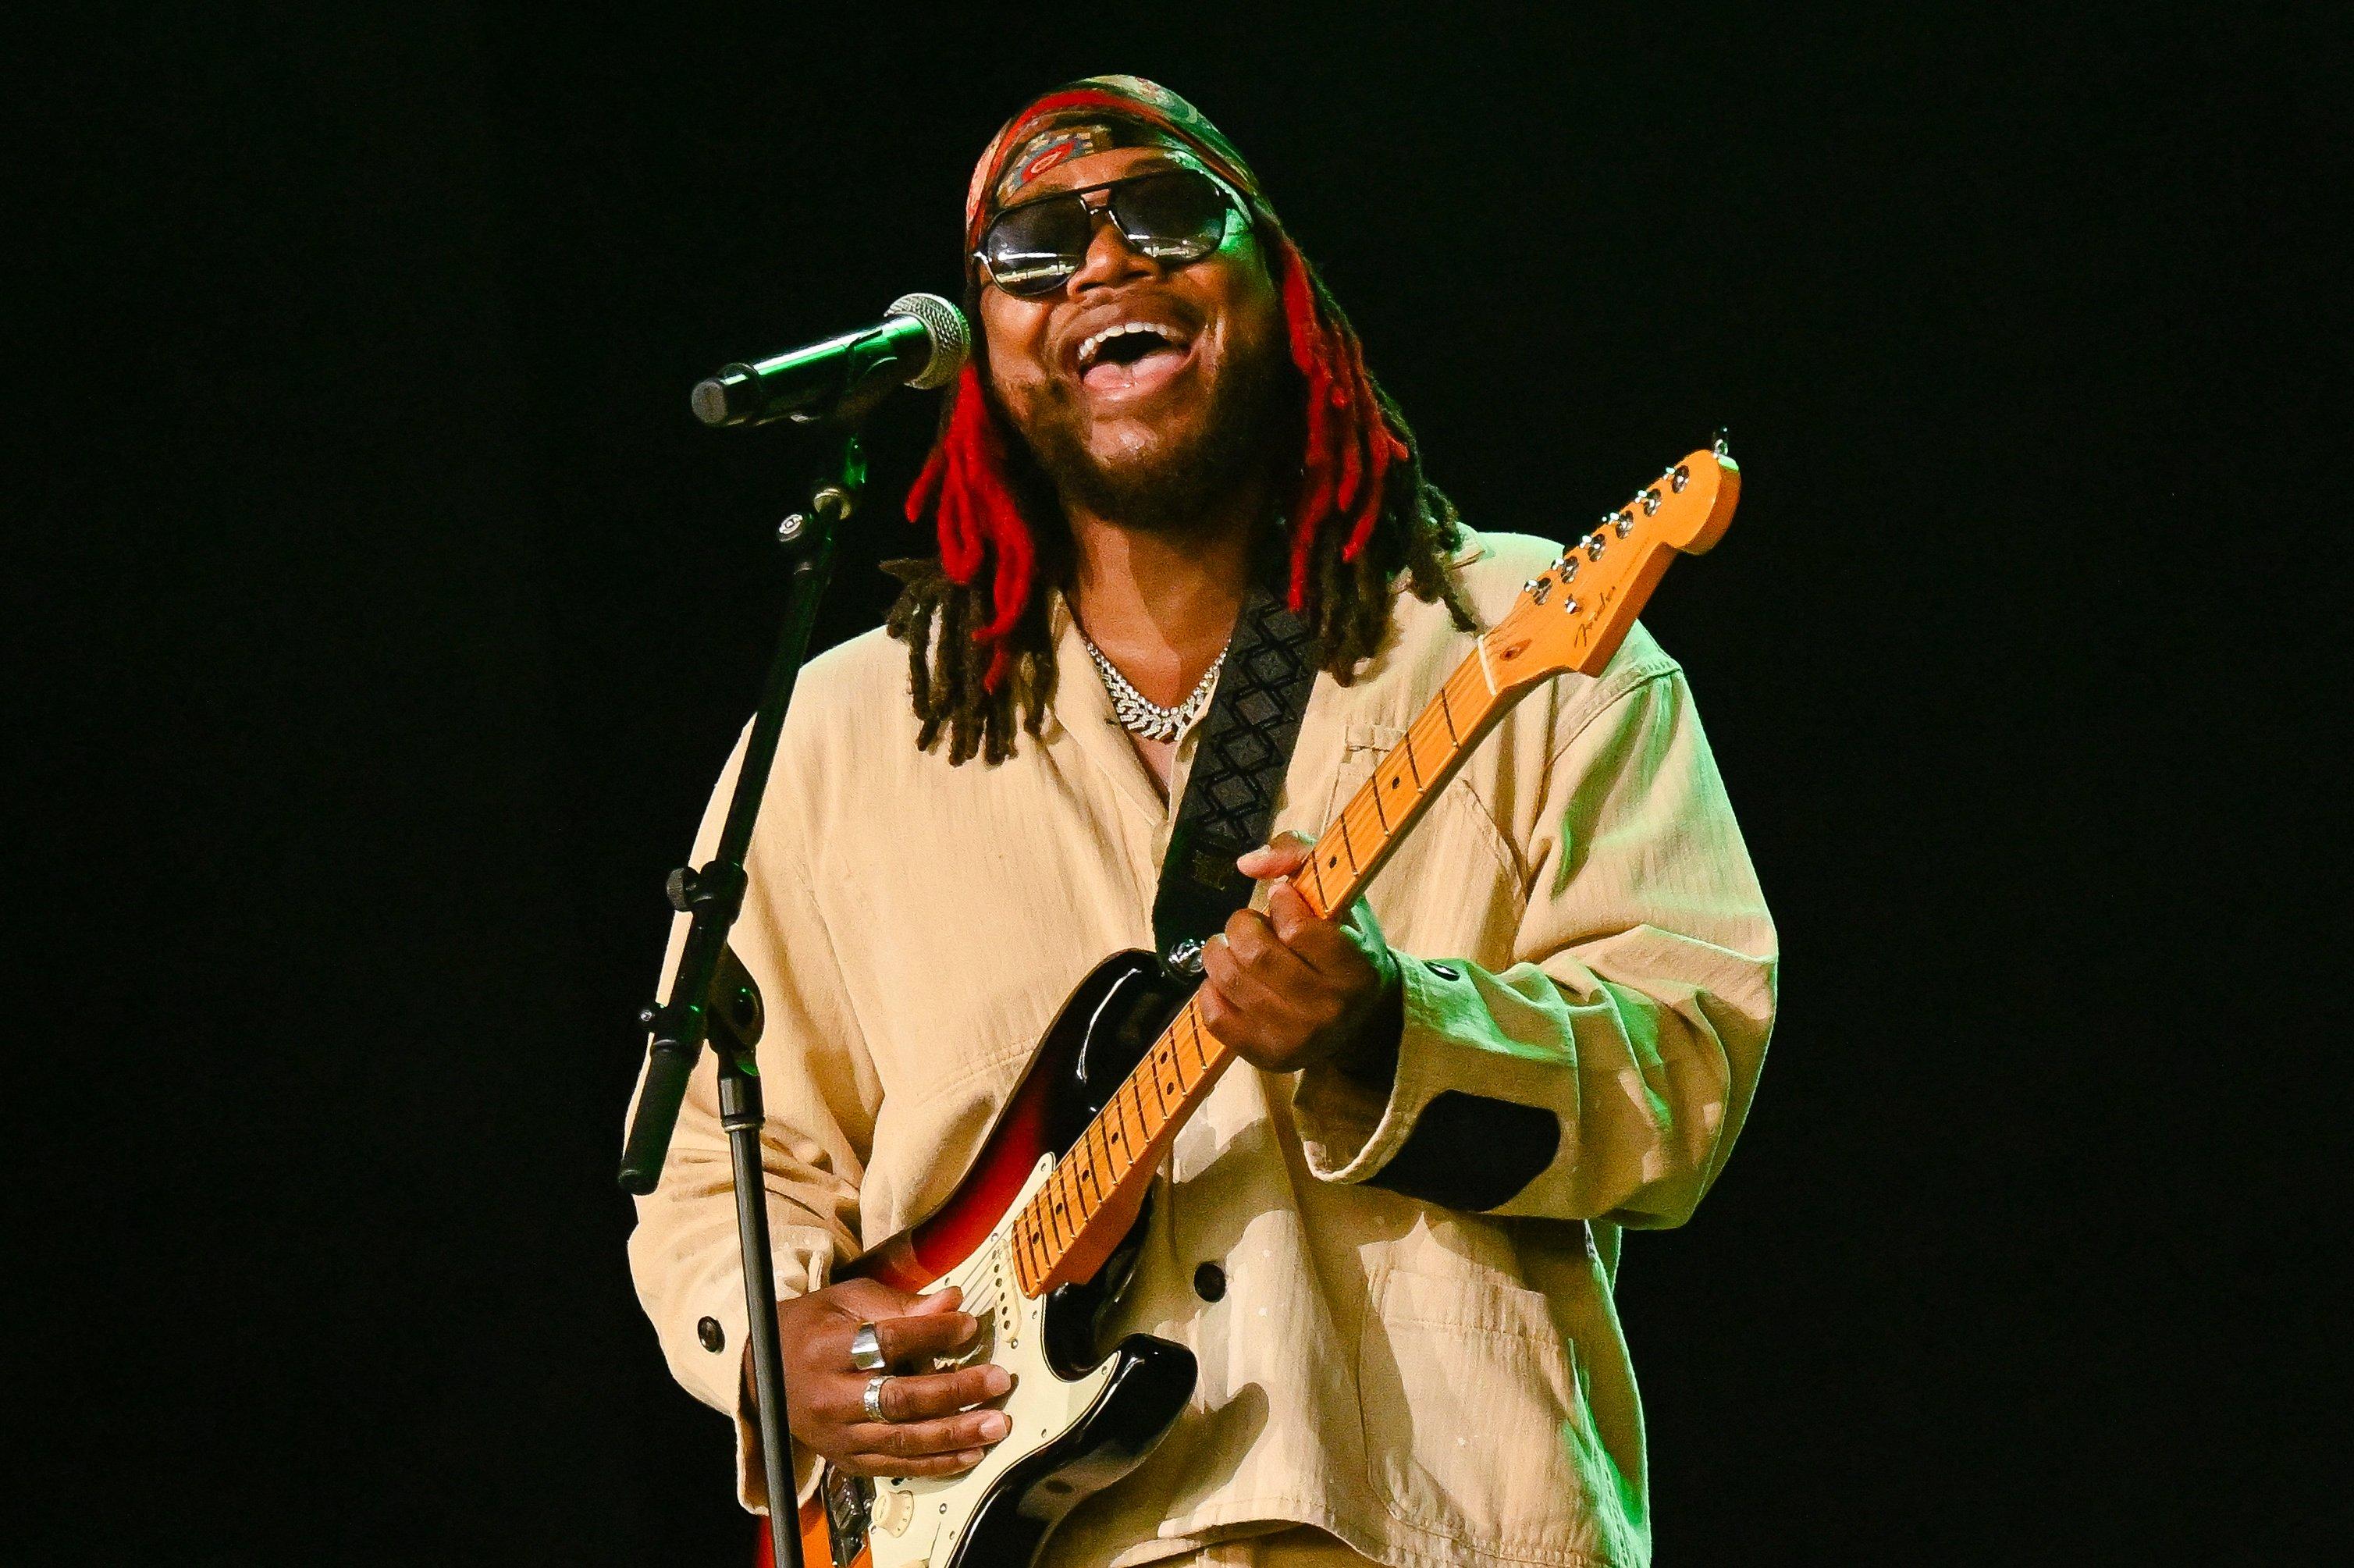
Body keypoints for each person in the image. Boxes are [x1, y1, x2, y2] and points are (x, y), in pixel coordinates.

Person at [629, 75, 1777, 1568]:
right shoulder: (845, 735)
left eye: (1163, 213)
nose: (1105, 262)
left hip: (1434, 1526)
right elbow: (715, 1161)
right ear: (982, 348)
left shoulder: (1527, 641)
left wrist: (1391, 1032)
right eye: (1037, 245)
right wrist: (771, 1345)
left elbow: (1689, 1062)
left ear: (1276, 287)